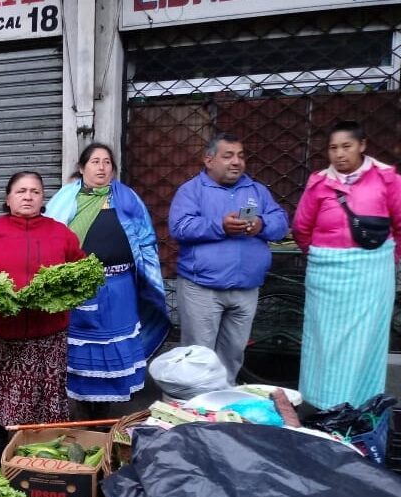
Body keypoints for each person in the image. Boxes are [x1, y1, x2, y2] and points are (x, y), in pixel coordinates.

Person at [0, 171, 86, 462]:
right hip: (2, 330)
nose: (28, 196)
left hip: (48, 331)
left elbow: (81, 268)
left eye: (35, 192)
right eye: (21, 191)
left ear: (43, 199)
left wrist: (67, 286)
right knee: (0, 388)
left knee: (48, 391)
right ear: (8, 198)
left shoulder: (60, 232)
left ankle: (44, 448)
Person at [46, 143, 169, 418]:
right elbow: (49, 240)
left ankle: (106, 415)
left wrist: (146, 277)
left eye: (107, 162)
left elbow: (146, 240)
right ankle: (80, 413)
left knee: (113, 352)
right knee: (82, 351)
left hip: (120, 289)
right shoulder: (66, 199)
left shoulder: (127, 199)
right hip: (78, 289)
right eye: (95, 161)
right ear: (82, 168)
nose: (101, 167)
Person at [292, 120, 401, 409]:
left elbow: (400, 225)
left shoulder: (387, 179)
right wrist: (325, 259)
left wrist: (382, 262)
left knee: (363, 342)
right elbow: (301, 229)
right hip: (327, 277)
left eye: (346, 146)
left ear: (362, 146)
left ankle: (358, 405)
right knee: (323, 341)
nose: (339, 154)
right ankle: (321, 404)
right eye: (333, 148)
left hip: (371, 277)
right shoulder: (319, 182)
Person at [169, 132, 289, 386]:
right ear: (209, 160)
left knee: (232, 355)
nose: (236, 162)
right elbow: (179, 227)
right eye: (228, 156)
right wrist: (219, 226)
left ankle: (222, 410)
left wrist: (262, 224)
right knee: (198, 357)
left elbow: (280, 223)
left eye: (240, 156)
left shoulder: (256, 190)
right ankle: (195, 411)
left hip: (246, 289)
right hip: (202, 288)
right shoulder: (191, 191)